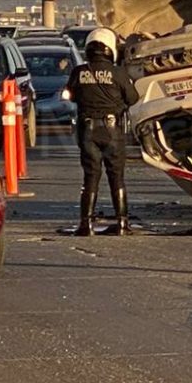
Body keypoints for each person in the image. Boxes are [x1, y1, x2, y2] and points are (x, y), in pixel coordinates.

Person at [64, 28, 139, 237]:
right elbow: (133, 98)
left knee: (90, 177)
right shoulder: (118, 73)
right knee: (117, 177)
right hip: (112, 129)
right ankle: (122, 223)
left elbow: (70, 95)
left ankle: (85, 224)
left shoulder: (79, 72)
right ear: (110, 50)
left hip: (87, 130)